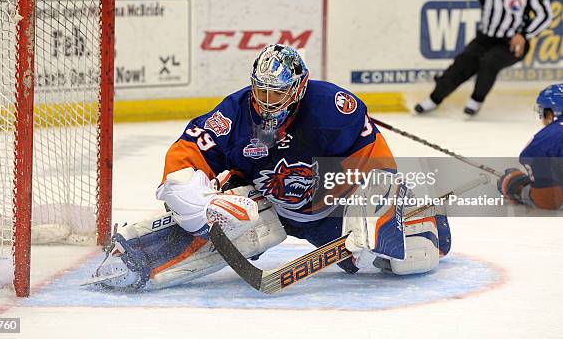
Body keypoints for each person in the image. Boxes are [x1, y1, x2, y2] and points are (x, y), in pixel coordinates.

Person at [87, 44, 452, 290]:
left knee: (406, 259)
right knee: (235, 218)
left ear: (298, 89)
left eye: (276, 93)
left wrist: (375, 214)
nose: (265, 101)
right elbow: (184, 157)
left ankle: (426, 220)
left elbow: (380, 170)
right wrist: (197, 207)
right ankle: (143, 253)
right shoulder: (234, 116)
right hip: (272, 207)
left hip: (333, 213)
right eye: (260, 90)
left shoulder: (331, 109)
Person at [415, 0, 553, 116]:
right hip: (485, 38)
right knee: (461, 65)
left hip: (512, 42)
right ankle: (434, 99)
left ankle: (476, 100)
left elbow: (545, 14)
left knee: (490, 62)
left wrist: (524, 35)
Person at [498, 84, 562, 210]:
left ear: (551, 114)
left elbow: (548, 200)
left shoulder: (543, 142)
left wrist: (517, 188)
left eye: (542, 112)